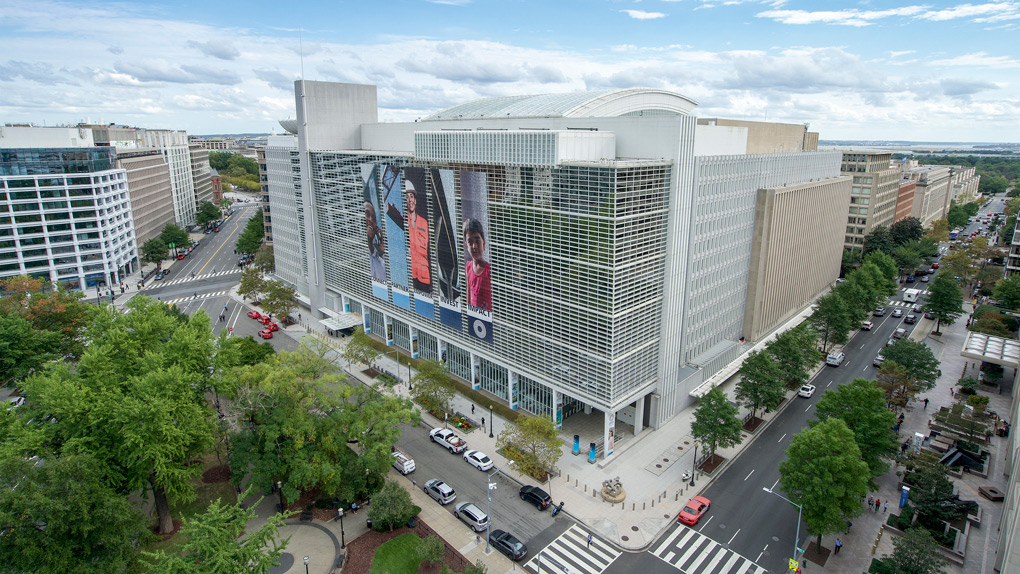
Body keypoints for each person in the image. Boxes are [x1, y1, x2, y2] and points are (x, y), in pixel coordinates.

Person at [405, 181, 432, 293]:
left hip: (425, 279)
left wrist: (432, 286)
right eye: (407, 197)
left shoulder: (424, 223)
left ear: (415, 200)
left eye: (412, 196)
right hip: (410, 277)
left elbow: (430, 254)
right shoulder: (402, 221)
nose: (410, 200)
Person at [463, 218, 492, 311]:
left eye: (477, 241)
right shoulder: (468, 266)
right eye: (470, 242)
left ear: (483, 242)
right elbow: (468, 296)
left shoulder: (489, 271)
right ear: (466, 245)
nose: (474, 246)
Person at [365, 201, 386, 282]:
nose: (370, 219)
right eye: (367, 214)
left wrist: (384, 252)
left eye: (373, 218)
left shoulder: (381, 262)